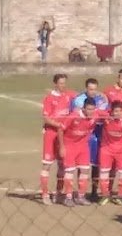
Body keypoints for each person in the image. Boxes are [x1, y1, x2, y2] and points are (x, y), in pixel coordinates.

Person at [70, 78, 110, 201]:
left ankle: (94, 191)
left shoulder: (102, 98)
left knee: (96, 165)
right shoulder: (78, 99)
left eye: (94, 89)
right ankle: (79, 192)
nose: (93, 92)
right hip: (85, 135)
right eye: (90, 89)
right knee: (81, 165)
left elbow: (106, 112)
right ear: (86, 88)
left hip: (98, 135)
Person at [39, 73, 74, 204]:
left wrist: (102, 94)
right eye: (60, 83)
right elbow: (46, 118)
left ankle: (58, 193)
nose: (63, 85)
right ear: (55, 84)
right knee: (47, 164)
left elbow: (85, 95)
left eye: (64, 83)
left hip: (64, 135)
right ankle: (45, 195)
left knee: (62, 165)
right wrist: (59, 125)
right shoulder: (49, 98)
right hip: (51, 133)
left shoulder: (69, 95)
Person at [59, 100, 101, 206]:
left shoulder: (96, 115)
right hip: (70, 146)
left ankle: (81, 196)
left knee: (85, 171)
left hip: (83, 147)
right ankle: (68, 197)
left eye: (92, 109)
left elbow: (111, 113)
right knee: (69, 172)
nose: (91, 111)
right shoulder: (73, 116)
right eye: (88, 109)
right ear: (83, 108)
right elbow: (60, 129)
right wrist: (62, 146)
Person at [97, 100, 122, 205]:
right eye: (115, 111)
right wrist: (107, 114)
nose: (117, 113)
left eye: (119, 111)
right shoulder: (106, 118)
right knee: (104, 173)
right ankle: (105, 195)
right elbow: (96, 111)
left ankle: (120, 196)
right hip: (106, 150)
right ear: (111, 111)